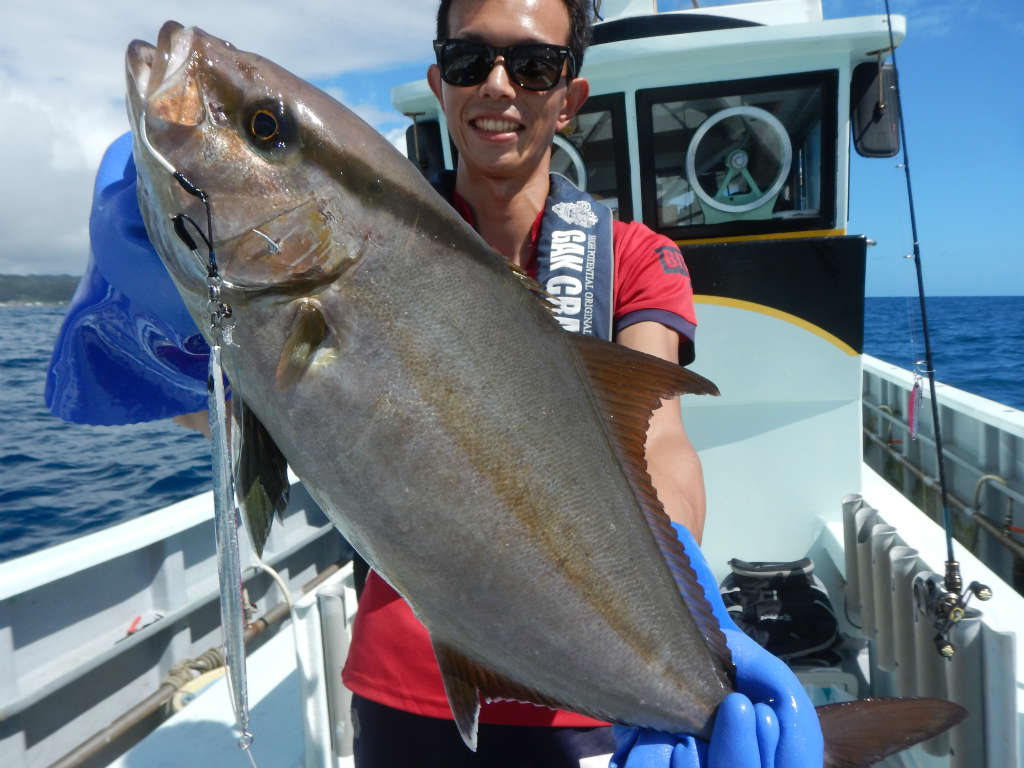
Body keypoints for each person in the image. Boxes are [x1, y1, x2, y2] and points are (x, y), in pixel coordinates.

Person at [47, 0, 823, 765]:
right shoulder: (372, 241)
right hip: (402, 692)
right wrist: (160, 329)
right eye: (468, 60)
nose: (498, 84)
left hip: (592, 710)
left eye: (533, 65)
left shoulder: (635, 257)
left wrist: (683, 586)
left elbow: (660, 444)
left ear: (569, 95)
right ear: (440, 79)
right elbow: (219, 417)